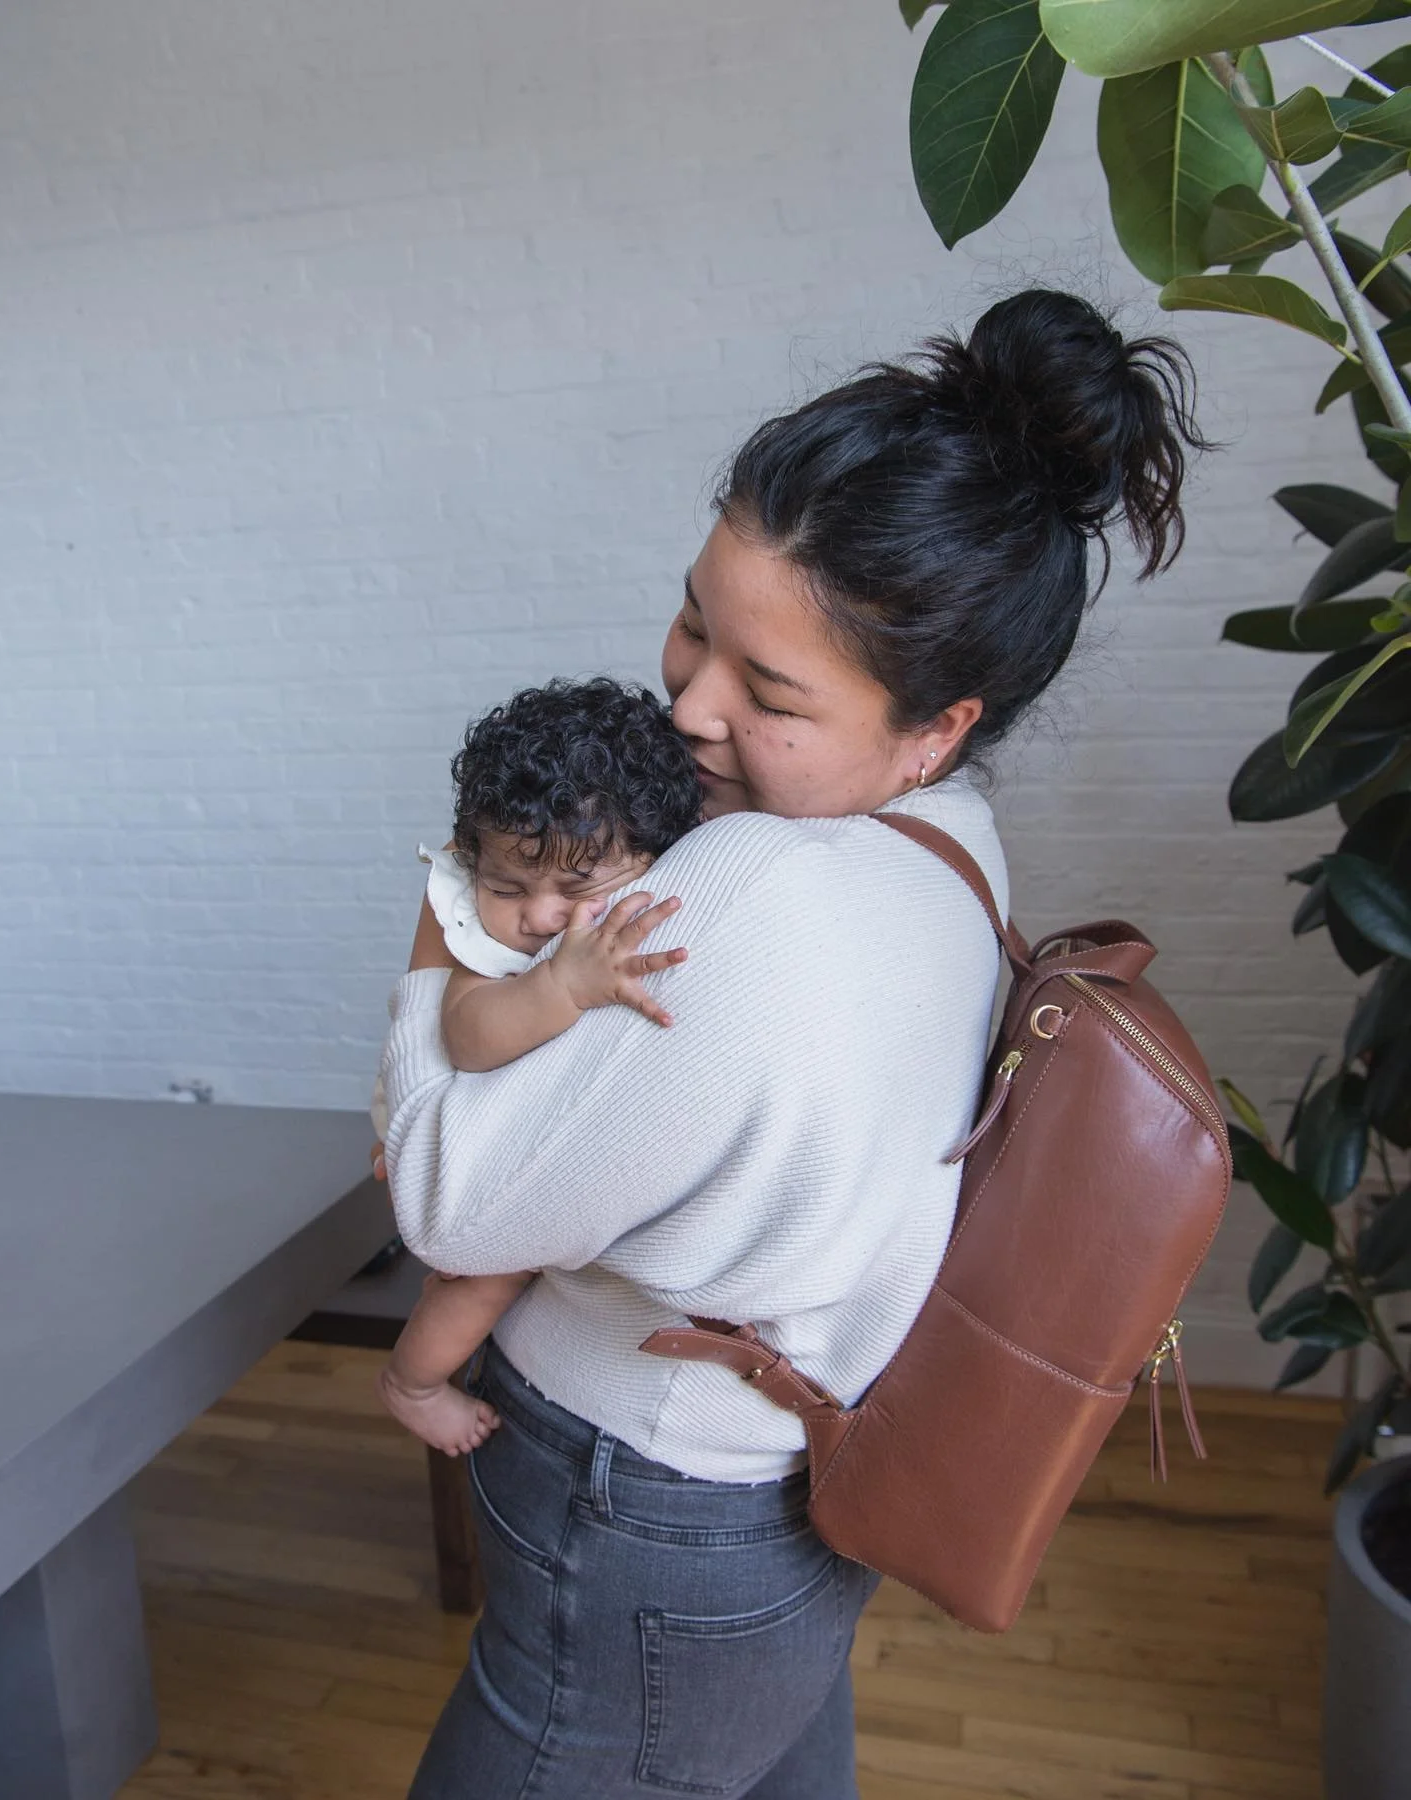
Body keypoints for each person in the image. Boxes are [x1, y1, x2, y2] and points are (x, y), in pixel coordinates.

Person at [376, 289, 1203, 1799]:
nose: (689, 703)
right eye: (697, 621)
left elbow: (445, 1198)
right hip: (778, 1504)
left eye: (767, 692)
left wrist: (446, 924)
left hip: (640, 1505)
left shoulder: (751, 886)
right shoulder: (951, 841)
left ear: (936, 725)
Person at [373, 678, 702, 1456]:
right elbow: (465, 1035)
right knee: (489, 1277)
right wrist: (559, 986)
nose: (540, 916)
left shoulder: (675, 884)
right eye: (507, 887)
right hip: (455, 1122)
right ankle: (412, 1385)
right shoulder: (493, 943)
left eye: (577, 889)